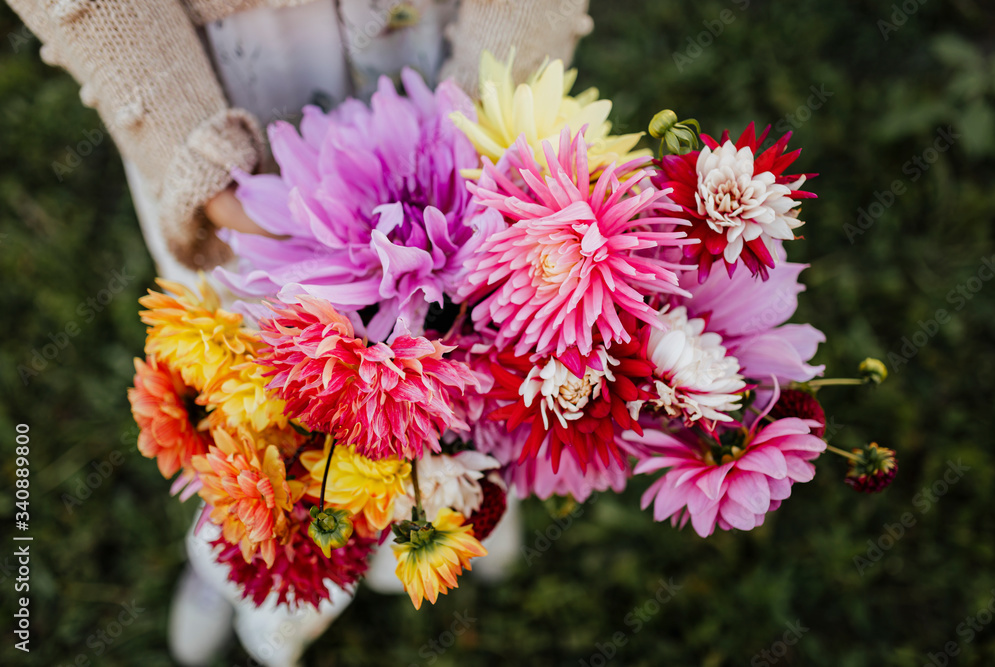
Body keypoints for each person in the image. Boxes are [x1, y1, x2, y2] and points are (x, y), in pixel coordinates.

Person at [7, 1, 594, 665]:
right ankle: (240, 551)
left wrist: (498, 91)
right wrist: (195, 162)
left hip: (438, 58)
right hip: (224, 94)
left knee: (476, 348)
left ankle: (464, 486)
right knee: (251, 397)